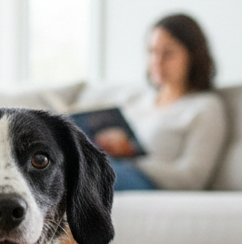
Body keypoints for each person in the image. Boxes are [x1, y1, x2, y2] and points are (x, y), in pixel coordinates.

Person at [95, 13, 227, 191]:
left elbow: (192, 178)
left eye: (168, 53)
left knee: (88, 175)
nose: (157, 61)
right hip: (111, 166)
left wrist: (134, 161)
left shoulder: (205, 107)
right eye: (152, 52)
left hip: (145, 181)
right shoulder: (135, 100)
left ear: (193, 57)